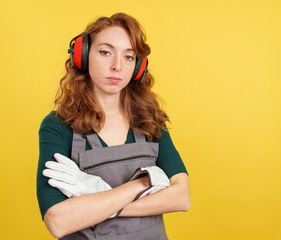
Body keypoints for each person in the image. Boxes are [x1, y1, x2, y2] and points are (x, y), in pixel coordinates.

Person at [36, 13, 190, 240]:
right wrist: (142, 184)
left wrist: (98, 200)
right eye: (105, 52)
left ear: (138, 66)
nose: (117, 66)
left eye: (128, 57)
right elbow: (58, 221)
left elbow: (181, 197)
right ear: (84, 56)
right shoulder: (58, 126)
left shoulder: (150, 120)